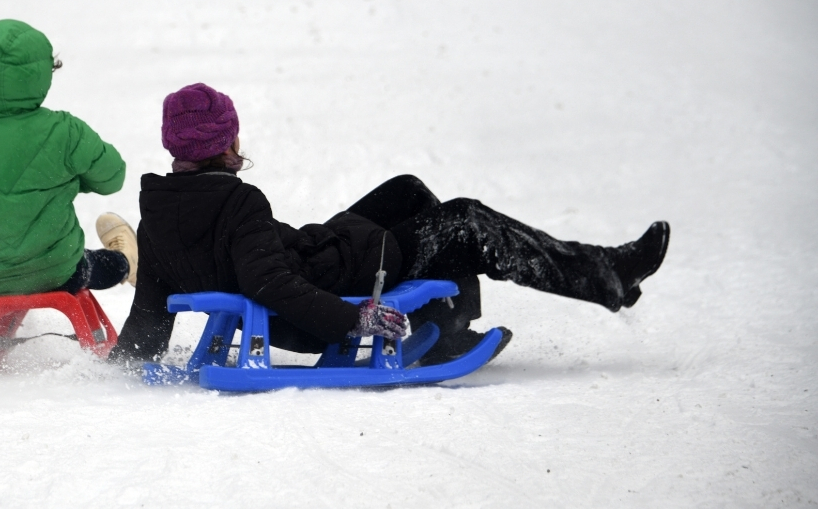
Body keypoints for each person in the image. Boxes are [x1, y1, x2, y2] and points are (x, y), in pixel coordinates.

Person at [109, 83, 670, 367]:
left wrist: (125, 362)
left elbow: (151, 304)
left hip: (319, 256)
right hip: (337, 283)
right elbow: (269, 286)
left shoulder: (159, 212)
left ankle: (446, 327)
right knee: (466, 221)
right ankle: (606, 275)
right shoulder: (239, 203)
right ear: (225, 143)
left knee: (405, 190)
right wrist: (359, 319)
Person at [0, 19, 138, 326]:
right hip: (55, 274)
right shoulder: (65, 131)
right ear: (39, 74)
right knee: (85, 266)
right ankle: (126, 263)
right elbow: (112, 177)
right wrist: (71, 179)